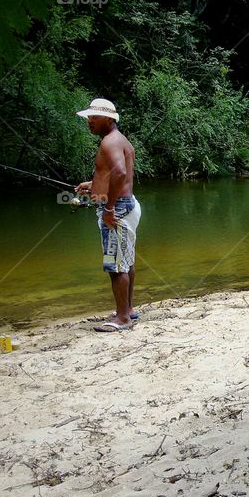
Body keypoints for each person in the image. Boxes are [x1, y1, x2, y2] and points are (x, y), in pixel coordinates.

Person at [73, 98, 141, 332]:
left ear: (109, 119)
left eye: (93, 117)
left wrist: (109, 209)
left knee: (116, 265)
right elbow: (117, 175)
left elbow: (120, 174)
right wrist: (94, 185)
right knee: (127, 261)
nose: (89, 122)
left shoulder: (109, 143)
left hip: (118, 209)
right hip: (128, 204)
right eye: (88, 117)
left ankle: (122, 318)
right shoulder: (119, 140)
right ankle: (128, 309)